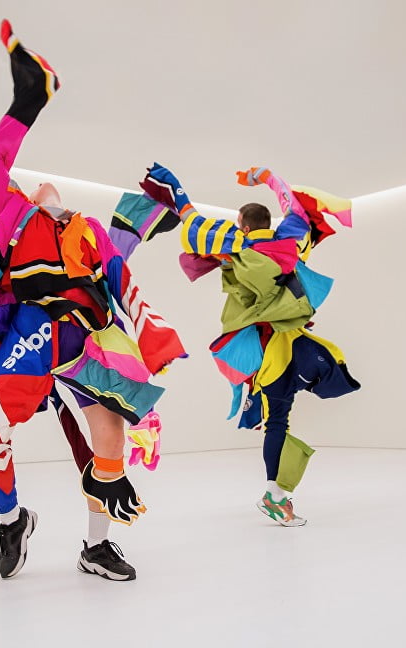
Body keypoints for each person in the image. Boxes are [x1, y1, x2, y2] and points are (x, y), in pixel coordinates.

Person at [0, 21, 184, 580]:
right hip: (33, 337)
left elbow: (120, 277)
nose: (45, 188)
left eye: (51, 190)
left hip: (89, 337)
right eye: (32, 188)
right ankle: (12, 520)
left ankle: (96, 546)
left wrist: (153, 333)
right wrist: (28, 100)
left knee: (110, 433)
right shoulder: (9, 216)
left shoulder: (86, 229)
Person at [140, 163, 360, 526]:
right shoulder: (289, 239)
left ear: (242, 224)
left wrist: (173, 186)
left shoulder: (232, 245)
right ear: (266, 222)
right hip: (294, 345)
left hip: (263, 350)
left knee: (277, 422)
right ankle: (277, 495)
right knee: (283, 416)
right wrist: (267, 178)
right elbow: (296, 208)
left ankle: (275, 493)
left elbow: (190, 218)